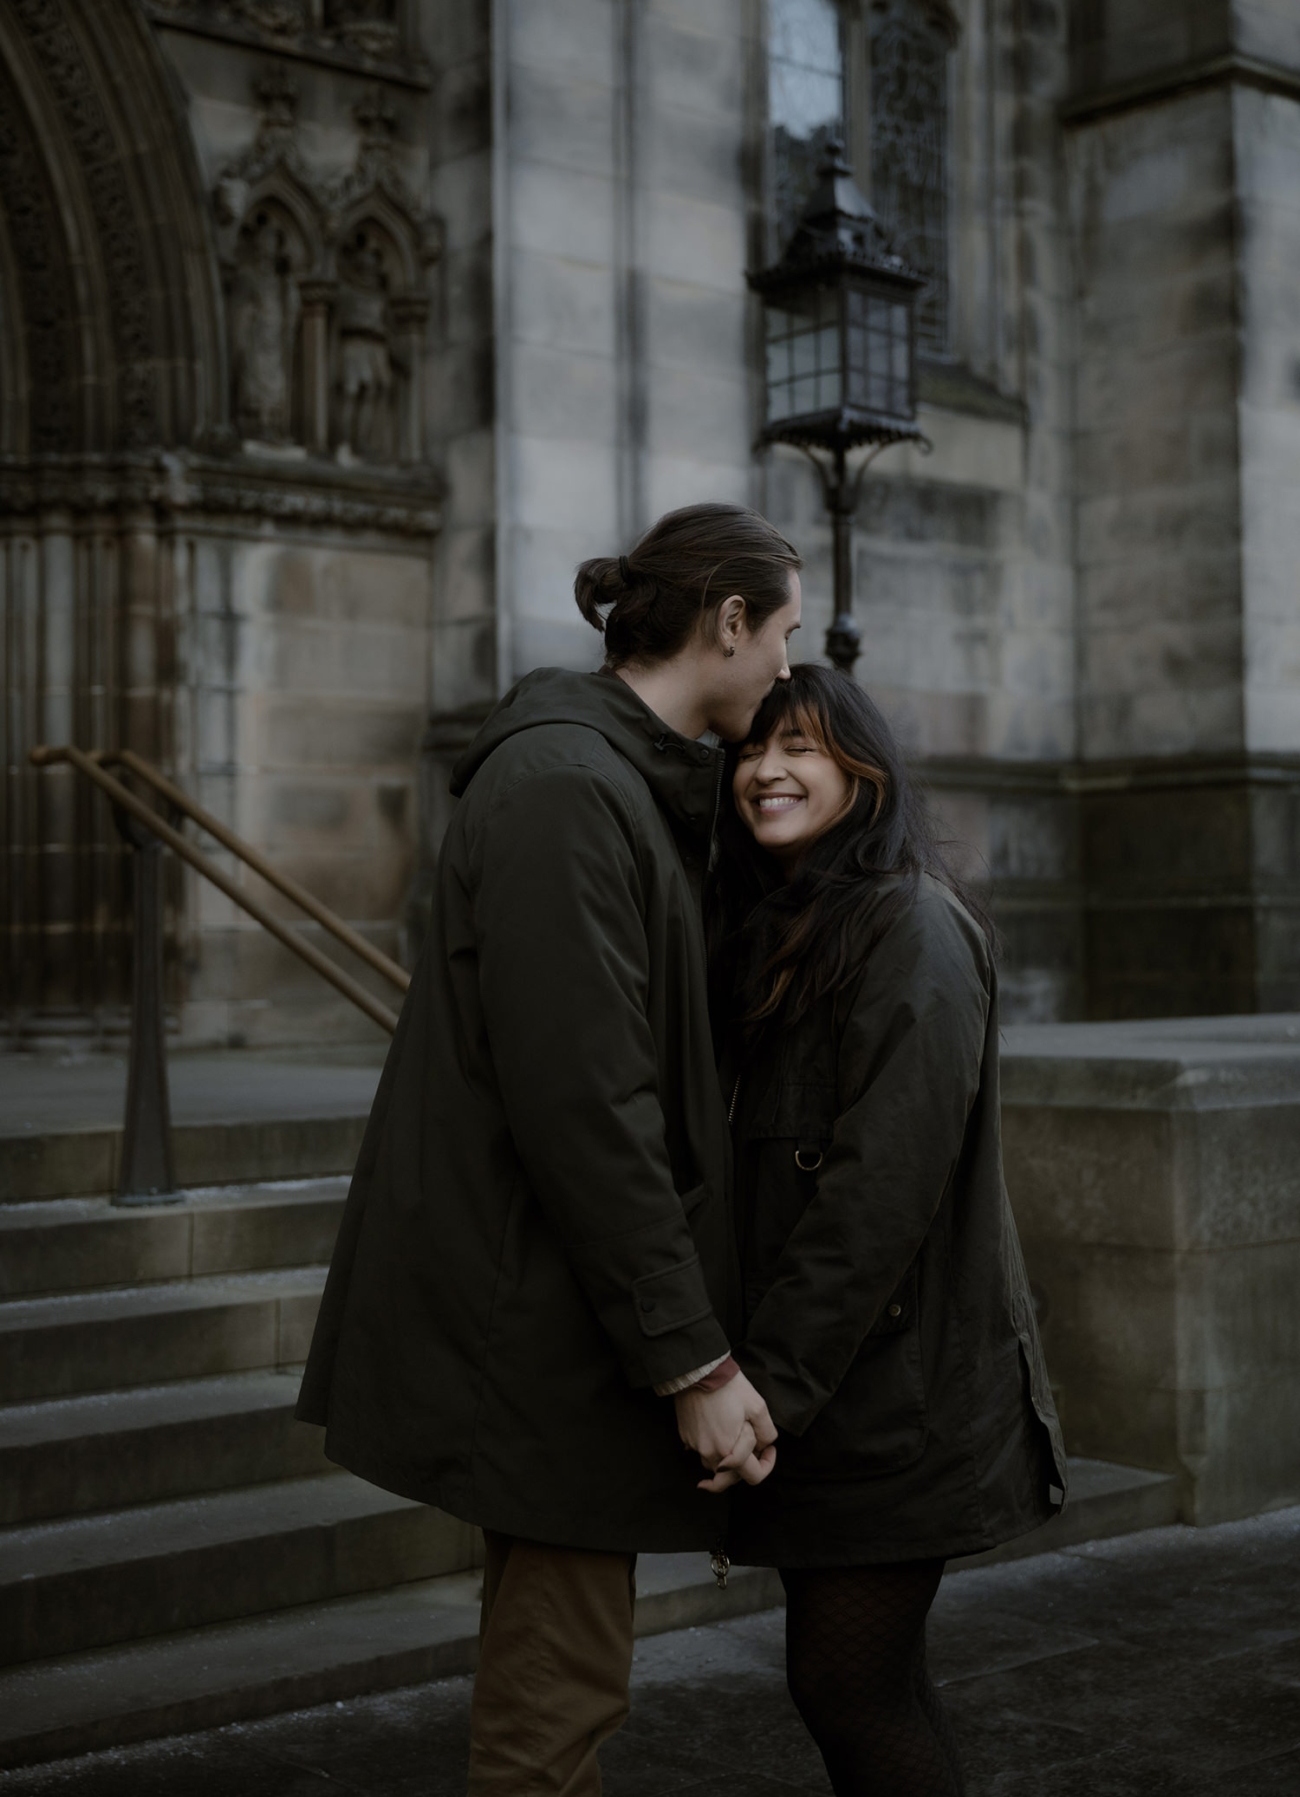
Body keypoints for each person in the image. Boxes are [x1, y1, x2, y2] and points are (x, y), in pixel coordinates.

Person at [297, 503, 803, 1795]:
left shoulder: (613, 778)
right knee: (559, 1699)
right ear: (727, 620)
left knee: (565, 1679)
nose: (790, 669)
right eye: (783, 633)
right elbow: (587, 1104)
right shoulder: (569, 785)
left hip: (559, 1304)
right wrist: (690, 1354)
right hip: (540, 1309)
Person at [708, 663, 1068, 1797]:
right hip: (841, 1395)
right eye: (751, 750)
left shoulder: (909, 926)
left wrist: (768, 1385)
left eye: (801, 748)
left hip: (894, 1399)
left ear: (861, 770)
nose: (766, 770)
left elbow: (878, 1195)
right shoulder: (785, 925)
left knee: (846, 1687)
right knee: (876, 1685)